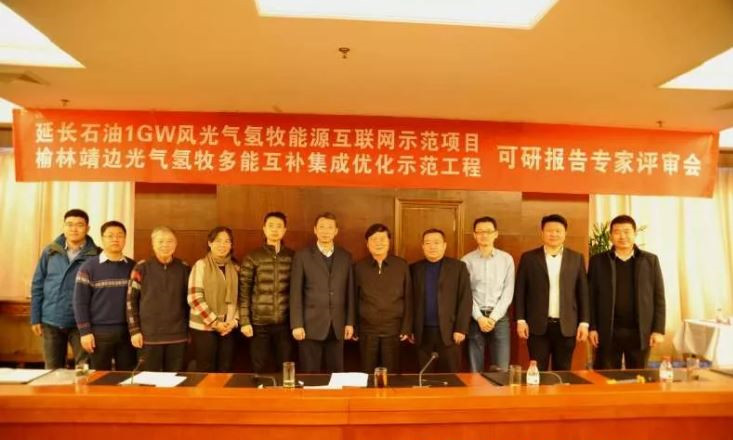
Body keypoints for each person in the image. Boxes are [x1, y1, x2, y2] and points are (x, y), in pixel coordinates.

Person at [589, 214, 666, 369]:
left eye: (626, 231)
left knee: (638, 376)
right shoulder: (598, 261)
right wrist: (592, 328)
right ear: (611, 236)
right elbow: (590, 298)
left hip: (640, 331)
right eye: (617, 232)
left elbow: (659, 297)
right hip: (607, 331)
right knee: (605, 376)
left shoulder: (650, 260)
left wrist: (658, 329)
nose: (622, 236)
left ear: (635, 234)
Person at [514, 214, 589, 371]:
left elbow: (583, 292)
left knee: (563, 371)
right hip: (537, 326)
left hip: (566, 326)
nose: (553, 234)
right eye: (549, 231)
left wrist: (584, 322)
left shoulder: (576, 258)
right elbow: (520, 291)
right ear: (542, 233)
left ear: (565, 233)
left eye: (558, 231)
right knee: (537, 372)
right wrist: (520, 320)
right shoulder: (529, 258)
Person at [31, 208, 99, 369]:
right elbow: (38, 284)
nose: (74, 229)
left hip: (82, 323)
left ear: (88, 228)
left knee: (84, 370)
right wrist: (35, 317)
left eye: (79, 225)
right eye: (69, 224)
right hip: (51, 320)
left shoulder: (97, 255)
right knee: (52, 369)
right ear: (63, 226)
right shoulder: (50, 251)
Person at [290, 212, 355, 373]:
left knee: (336, 375)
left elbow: (350, 293)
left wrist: (349, 322)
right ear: (315, 230)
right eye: (322, 227)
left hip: (337, 325)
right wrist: (297, 324)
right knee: (310, 375)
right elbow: (295, 293)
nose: (326, 231)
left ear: (336, 231)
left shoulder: (345, 257)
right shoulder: (302, 256)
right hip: (309, 326)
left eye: (330, 227)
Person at [73, 220, 135, 370]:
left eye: (120, 235)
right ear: (102, 239)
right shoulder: (88, 267)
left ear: (125, 239)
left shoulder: (133, 267)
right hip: (98, 333)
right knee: (99, 377)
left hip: (128, 333)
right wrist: (85, 332)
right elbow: (80, 303)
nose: (115, 239)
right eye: (110, 236)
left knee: (127, 377)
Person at [127, 226, 190, 372]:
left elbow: (189, 303)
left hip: (178, 336)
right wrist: (134, 331)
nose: (165, 245)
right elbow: (130, 301)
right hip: (148, 336)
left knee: (176, 379)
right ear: (153, 244)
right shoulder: (141, 268)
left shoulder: (184, 268)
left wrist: (189, 331)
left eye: (170, 241)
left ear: (176, 244)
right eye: (160, 241)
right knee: (149, 379)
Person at [239, 212, 295, 373]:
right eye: (271, 226)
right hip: (259, 324)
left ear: (284, 230)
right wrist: (245, 321)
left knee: (285, 368)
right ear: (264, 229)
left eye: (279, 226)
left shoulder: (293, 256)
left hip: (285, 323)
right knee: (259, 368)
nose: (274, 230)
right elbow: (244, 291)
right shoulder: (253, 257)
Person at [410, 228, 472, 373]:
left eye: (436, 242)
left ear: (444, 245)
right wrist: (410, 329)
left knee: (450, 376)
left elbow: (465, 299)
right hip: (422, 333)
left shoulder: (458, 267)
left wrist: (461, 328)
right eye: (428, 243)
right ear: (422, 246)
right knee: (424, 376)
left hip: (450, 333)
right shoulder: (414, 269)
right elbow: (409, 301)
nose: (432, 246)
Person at [354, 223, 412, 373]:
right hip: (367, 331)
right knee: (367, 373)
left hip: (394, 330)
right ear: (367, 244)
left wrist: (406, 327)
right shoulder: (359, 267)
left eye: (382, 239)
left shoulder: (401, 265)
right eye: (374, 239)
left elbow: (409, 298)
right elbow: (353, 299)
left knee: (391, 373)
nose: (378, 243)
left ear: (389, 241)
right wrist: (354, 327)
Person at [462, 216, 514, 372]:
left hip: (499, 318)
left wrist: (493, 318)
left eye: (488, 231)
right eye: (480, 232)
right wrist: (479, 317)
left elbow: (508, 291)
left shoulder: (506, 259)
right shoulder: (466, 261)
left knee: (501, 369)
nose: (484, 235)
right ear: (474, 235)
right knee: (474, 370)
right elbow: (465, 294)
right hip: (474, 319)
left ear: (496, 234)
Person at [187, 226, 239, 372]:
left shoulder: (235, 267)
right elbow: (194, 298)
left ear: (231, 245)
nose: (223, 245)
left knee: (225, 369)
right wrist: (214, 323)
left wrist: (234, 321)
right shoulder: (201, 265)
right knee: (206, 370)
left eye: (227, 241)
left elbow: (240, 297)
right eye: (218, 241)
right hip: (204, 328)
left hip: (228, 328)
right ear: (210, 243)